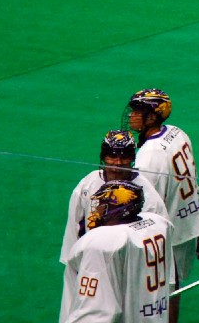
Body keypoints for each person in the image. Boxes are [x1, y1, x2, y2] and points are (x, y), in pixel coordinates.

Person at [59, 130, 168, 322]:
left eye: (124, 157)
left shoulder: (148, 198)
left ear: (132, 158)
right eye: (112, 156)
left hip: (128, 276)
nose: (117, 164)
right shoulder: (87, 184)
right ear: (103, 157)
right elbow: (73, 238)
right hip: (90, 267)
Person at [122, 89, 199, 323]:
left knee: (164, 289)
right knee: (173, 285)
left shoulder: (148, 156)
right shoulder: (178, 133)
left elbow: (146, 207)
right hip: (187, 223)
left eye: (137, 112)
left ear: (152, 117)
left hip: (167, 233)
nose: (131, 117)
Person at [61, 181, 173, 323]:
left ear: (120, 210)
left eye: (104, 205)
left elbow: (97, 312)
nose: (98, 211)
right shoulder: (158, 224)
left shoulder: (102, 242)